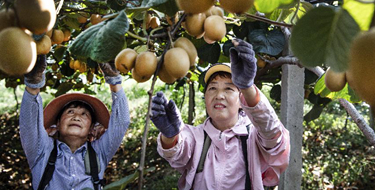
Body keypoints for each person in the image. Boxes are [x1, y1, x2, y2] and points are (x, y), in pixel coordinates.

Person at [150, 39, 290, 190]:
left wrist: (248, 88)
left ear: (241, 100)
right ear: (205, 98)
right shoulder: (196, 136)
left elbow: (273, 135)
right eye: (212, 89)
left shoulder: (253, 137)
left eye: (229, 89)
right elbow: (177, 152)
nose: (219, 95)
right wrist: (170, 136)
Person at [19, 55, 130, 190]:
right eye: (70, 112)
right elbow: (29, 125)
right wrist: (33, 85)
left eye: (84, 114)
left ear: (91, 129)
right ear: (57, 124)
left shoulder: (99, 151)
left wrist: (114, 81)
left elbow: (121, 122)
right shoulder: (42, 151)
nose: (76, 117)